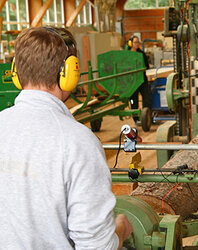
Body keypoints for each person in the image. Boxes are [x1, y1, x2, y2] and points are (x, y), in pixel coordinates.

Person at [0, 27, 133, 248]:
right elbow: (96, 247)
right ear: (70, 73)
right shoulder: (77, 142)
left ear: (16, 72)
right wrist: (120, 229)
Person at [127, 35, 152, 122]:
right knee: (134, 100)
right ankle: (136, 118)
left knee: (146, 98)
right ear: (130, 43)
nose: (137, 44)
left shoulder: (141, 54)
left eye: (138, 42)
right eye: (135, 42)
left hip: (141, 80)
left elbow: (146, 66)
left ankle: (147, 117)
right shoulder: (126, 54)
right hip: (132, 81)